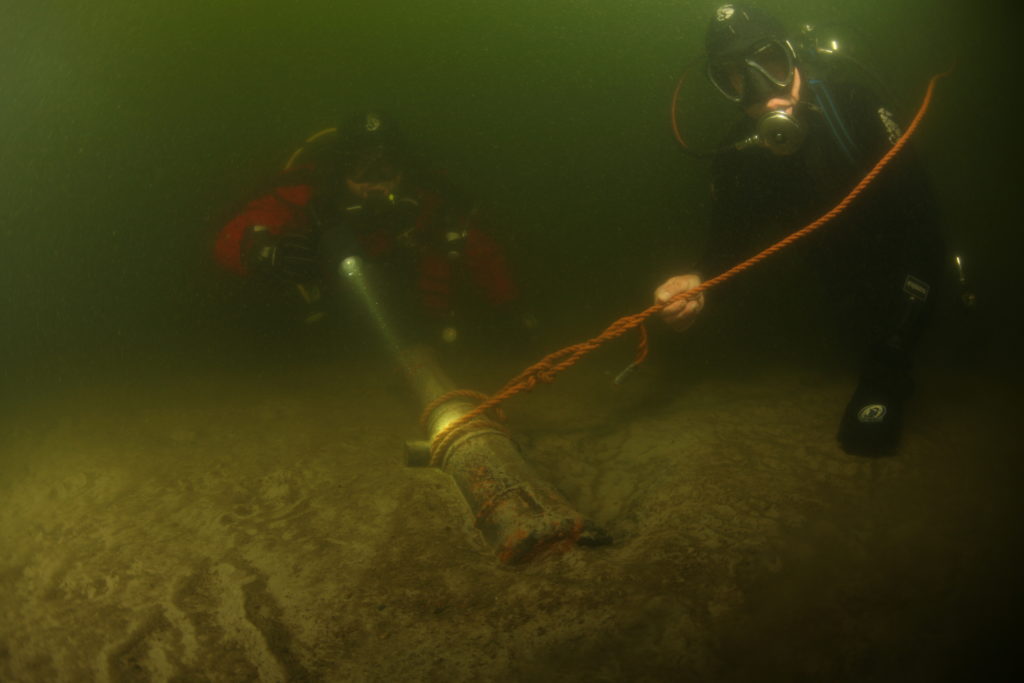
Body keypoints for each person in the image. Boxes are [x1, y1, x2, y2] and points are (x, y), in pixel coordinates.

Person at [654, 4, 947, 455]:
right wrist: (697, 282)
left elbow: (925, 225)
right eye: (735, 76)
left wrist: (891, 358)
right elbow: (727, 248)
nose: (760, 89)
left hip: (899, 266)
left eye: (771, 62)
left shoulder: (856, 108)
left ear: (795, 58)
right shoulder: (738, 156)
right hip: (833, 280)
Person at [214, 110, 531, 350]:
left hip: (411, 326)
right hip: (322, 335)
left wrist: (510, 310)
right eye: (360, 167)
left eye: (387, 166)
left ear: (404, 168)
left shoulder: (427, 201)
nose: (375, 179)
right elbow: (234, 235)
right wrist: (266, 253)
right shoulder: (306, 192)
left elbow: (482, 251)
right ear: (340, 169)